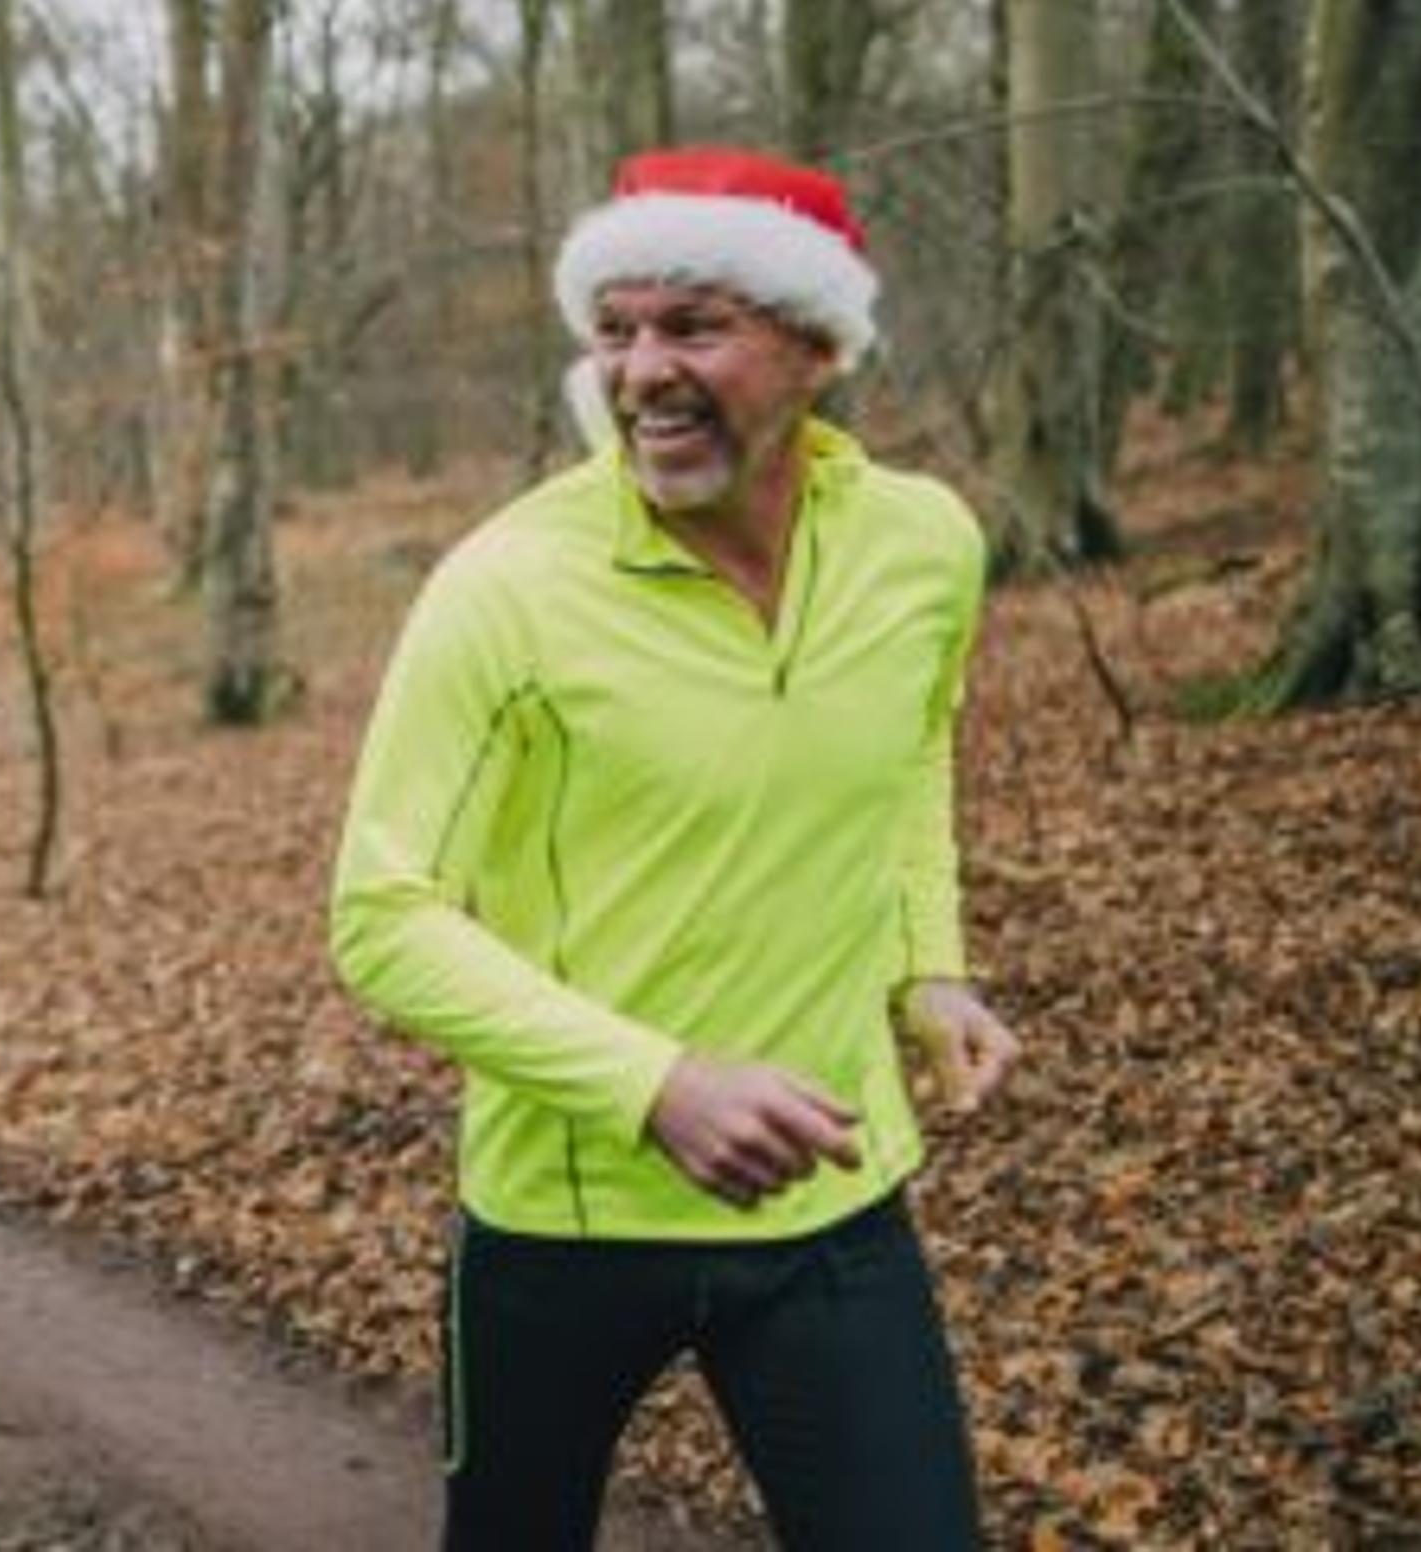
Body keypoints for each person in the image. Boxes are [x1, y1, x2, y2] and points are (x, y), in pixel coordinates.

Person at [327, 146, 1024, 1547]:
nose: (642, 372)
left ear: (818, 346)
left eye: (694, 326)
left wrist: (926, 965)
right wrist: (658, 1088)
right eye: (617, 331)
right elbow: (382, 916)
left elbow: (908, 754)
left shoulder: (924, 545)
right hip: (564, 1219)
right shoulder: (507, 589)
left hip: (832, 1195)